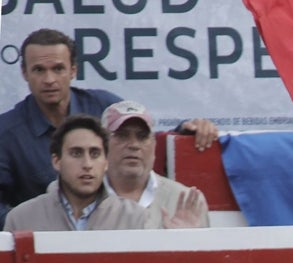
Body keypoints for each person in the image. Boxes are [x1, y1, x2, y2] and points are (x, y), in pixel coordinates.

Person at [0, 29, 219, 227]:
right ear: (24, 73)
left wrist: (186, 131)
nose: (49, 79)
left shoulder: (103, 105)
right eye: (39, 70)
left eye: (58, 68)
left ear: (73, 70)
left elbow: (139, 134)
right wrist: (27, 225)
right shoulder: (5, 133)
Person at [4, 114, 205, 232]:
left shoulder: (135, 218)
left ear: (106, 161)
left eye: (95, 154)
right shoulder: (21, 218)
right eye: (76, 153)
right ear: (56, 160)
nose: (87, 164)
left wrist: (180, 243)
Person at [102, 101, 210, 229]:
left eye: (142, 136)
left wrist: (185, 240)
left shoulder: (187, 202)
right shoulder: (83, 199)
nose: (134, 145)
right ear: (102, 144)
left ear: (154, 144)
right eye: (122, 136)